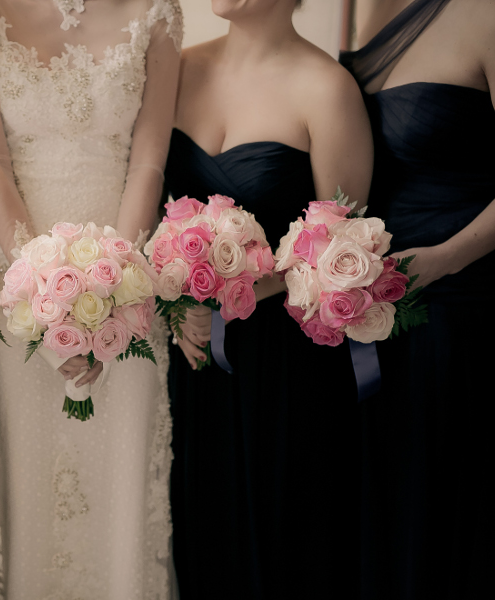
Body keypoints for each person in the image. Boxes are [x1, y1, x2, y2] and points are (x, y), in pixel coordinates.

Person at [0, 0, 182, 597]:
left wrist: (116, 292)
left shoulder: (158, 11)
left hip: (127, 273)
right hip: (17, 279)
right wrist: (36, 289)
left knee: (119, 482)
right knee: (33, 479)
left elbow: (149, 164)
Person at [164, 0, 373, 597]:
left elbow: (342, 247)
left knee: (282, 539)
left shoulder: (327, 89)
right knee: (200, 530)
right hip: (195, 350)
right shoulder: (176, 69)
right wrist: (180, 303)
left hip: (286, 360)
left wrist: (243, 287)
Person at [342, 0, 495, 596]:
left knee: (444, 504)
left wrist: (445, 258)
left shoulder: (490, 13)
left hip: (461, 304)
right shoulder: (363, 11)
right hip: (375, 311)